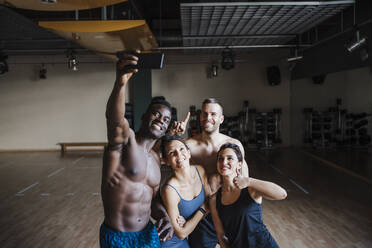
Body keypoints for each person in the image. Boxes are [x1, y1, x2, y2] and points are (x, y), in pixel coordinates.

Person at [100, 52, 174, 248]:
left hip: (148, 235)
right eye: (156, 114)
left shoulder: (156, 158)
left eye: (166, 119)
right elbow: (115, 120)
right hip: (119, 238)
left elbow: (154, 199)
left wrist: (164, 216)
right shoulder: (125, 142)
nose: (160, 120)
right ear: (143, 116)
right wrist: (120, 82)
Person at [170, 98, 249, 248]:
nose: (208, 118)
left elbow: (244, 181)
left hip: (229, 211)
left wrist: (245, 216)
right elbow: (159, 158)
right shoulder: (188, 146)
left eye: (213, 114)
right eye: (205, 114)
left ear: (221, 118)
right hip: (202, 215)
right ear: (200, 117)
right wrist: (172, 135)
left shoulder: (234, 145)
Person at [210, 143, 287, 248]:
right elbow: (221, 235)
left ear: (239, 164)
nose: (224, 162)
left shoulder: (250, 189)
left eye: (230, 158)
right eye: (220, 159)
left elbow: (282, 194)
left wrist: (249, 181)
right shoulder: (214, 199)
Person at [159, 135, 211, 248]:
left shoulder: (200, 170)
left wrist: (188, 223)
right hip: (171, 241)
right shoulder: (169, 190)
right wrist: (202, 210)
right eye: (172, 153)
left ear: (188, 153)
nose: (179, 155)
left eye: (182, 149)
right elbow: (181, 233)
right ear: (167, 161)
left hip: (192, 232)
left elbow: (211, 202)